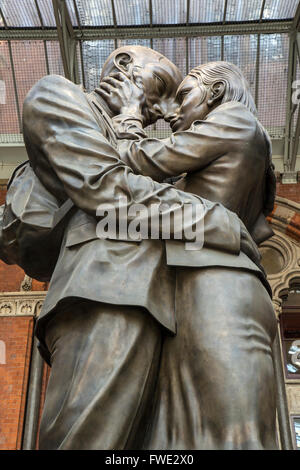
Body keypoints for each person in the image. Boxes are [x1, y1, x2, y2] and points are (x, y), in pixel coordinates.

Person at [22, 47, 256, 450]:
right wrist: (216, 221)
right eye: (163, 87)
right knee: (88, 437)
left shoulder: (139, 137)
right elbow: (108, 190)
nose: (167, 110)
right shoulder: (58, 96)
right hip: (103, 291)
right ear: (126, 67)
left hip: (162, 302)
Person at [104, 61, 278, 449]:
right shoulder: (229, 151)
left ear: (215, 94)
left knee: (231, 432)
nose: (174, 114)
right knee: (187, 434)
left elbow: (139, 161)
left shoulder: (233, 118)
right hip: (203, 285)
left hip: (218, 284)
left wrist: (131, 117)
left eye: (185, 96)